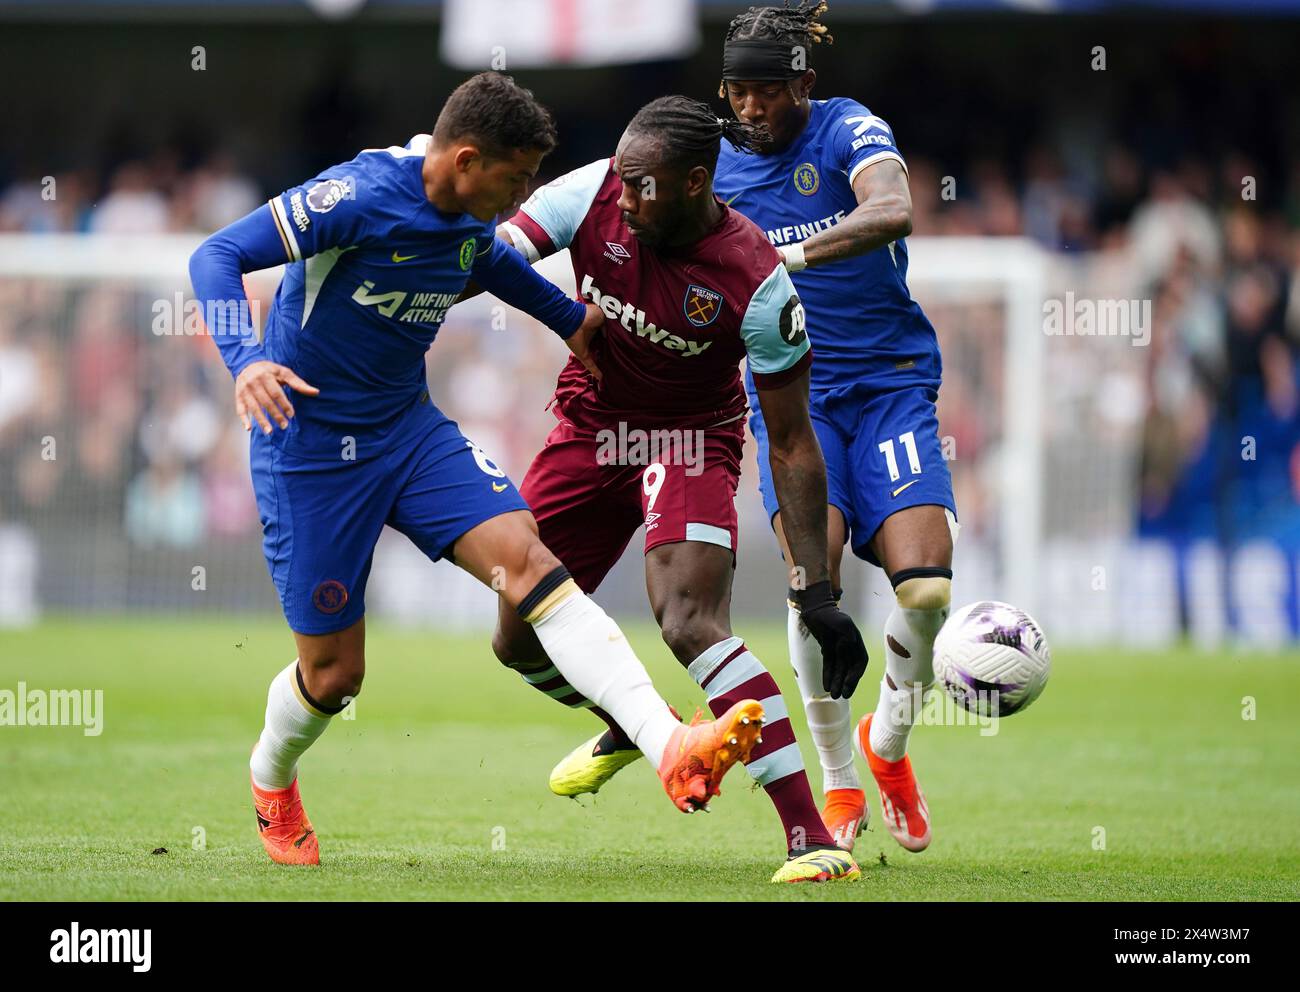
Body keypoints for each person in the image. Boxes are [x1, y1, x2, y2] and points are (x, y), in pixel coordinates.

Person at [188, 72, 767, 867]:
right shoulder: (356, 196)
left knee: (530, 564)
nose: (525, 193)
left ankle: (670, 746)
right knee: (334, 676)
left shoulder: (466, 213)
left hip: (408, 434)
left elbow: (489, 262)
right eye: (516, 177)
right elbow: (216, 255)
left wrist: (570, 321)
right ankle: (271, 778)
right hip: (310, 453)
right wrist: (245, 359)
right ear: (465, 160)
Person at [487, 94, 868, 883]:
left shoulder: (757, 283)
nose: (624, 200)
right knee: (516, 637)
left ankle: (811, 837)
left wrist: (817, 589)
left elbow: (793, 441)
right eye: (621, 183)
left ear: (696, 182)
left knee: (689, 621)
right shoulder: (590, 193)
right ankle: (646, 726)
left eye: (643, 188)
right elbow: (489, 257)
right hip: (590, 428)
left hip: (691, 439)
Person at [712, 1, 960, 854]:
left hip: (889, 383)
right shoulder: (716, 174)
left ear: (804, 86)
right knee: (808, 578)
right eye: (737, 92)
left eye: (768, 92)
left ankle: (884, 745)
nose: (750, 108)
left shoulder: (851, 129)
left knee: (925, 590)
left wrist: (793, 256)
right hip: (794, 401)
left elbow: (894, 210)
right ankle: (839, 785)